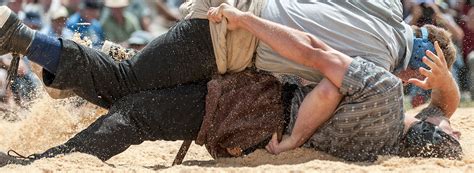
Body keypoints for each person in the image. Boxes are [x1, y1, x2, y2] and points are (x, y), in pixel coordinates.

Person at [0, 0, 460, 164]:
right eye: (418, 80)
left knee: (129, 89)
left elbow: (444, 108)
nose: (409, 86)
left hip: (237, 22)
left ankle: (57, 64)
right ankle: (21, 37)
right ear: (421, 66)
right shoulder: (378, 64)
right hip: (233, 36)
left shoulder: (386, 9)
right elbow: (313, 55)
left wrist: (442, 82)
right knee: (125, 84)